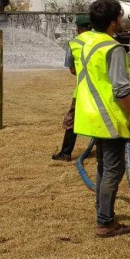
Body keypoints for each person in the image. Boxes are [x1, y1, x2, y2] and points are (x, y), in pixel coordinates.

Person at [74, 0, 130, 238]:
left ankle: (103, 214)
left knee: (104, 168)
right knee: (113, 172)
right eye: (121, 17)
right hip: (108, 117)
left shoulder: (81, 42)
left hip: (88, 115)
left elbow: (74, 71)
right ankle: (105, 222)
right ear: (113, 22)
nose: (123, 21)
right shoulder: (112, 48)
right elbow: (121, 90)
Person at [52, 14, 92, 162]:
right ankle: (104, 152)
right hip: (103, 91)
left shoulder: (74, 44)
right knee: (100, 118)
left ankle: (65, 153)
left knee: (72, 121)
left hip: (82, 91)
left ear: (78, 29)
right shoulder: (104, 42)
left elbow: (73, 70)